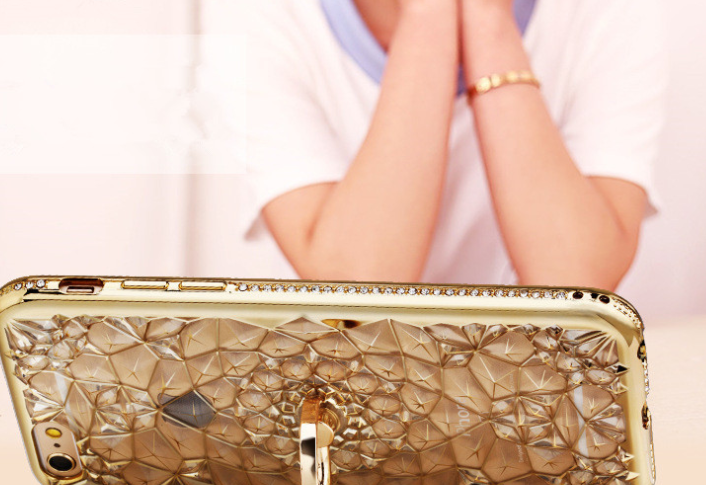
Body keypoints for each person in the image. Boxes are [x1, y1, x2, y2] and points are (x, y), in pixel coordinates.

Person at [205, 0, 667, 290]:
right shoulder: (256, 14)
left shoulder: (612, 11)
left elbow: (578, 284)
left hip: (543, 395)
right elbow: (358, 288)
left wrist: (488, 20)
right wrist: (429, 17)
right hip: (343, 396)